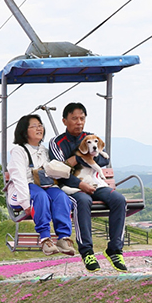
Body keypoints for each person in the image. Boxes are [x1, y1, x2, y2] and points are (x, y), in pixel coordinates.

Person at [49, 102, 128, 272]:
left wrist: (79, 158)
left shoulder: (90, 137)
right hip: (72, 186)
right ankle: (87, 251)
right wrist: (80, 184)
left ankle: (115, 249)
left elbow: (103, 158)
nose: (79, 122)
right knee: (83, 201)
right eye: (74, 118)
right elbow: (59, 170)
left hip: (95, 182)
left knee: (119, 200)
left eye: (82, 118)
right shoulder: (57, 143)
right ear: (64, 121)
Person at [7, 114, 76, 257]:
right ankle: (45, 238)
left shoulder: (43, 150)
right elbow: (19, 177)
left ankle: (63, 237)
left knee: (61, 197)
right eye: (34, 126)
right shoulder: (19, 151)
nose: (39, 128)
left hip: (45, 184)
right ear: (25, 131)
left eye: (40, 125)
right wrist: (25, 203)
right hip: (28, 186)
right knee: (41, 197)